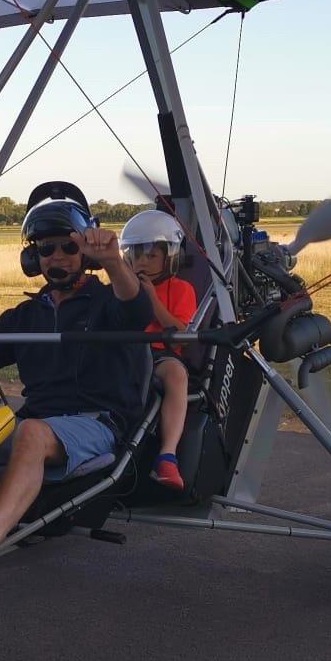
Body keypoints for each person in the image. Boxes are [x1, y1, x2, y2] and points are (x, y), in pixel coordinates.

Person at [0, 183, 152, 588]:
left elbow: (137, 310)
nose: (56, 256)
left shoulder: (106, 303)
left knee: (30, 432)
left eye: (68, 246)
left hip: (96, 423)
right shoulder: (27, 316)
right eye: (46, 248)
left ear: (85, 255)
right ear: (33, 258)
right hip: (38, 423)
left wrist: (113, 261)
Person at [119, 210, 196, 491]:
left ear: (170, 258)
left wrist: (151, 298)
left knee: (176, 374)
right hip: (125, 351)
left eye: (151, 256)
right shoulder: (121, 288)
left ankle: (167, 455)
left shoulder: (182, 289)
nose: (143, 262)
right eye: (137, 255)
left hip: (160, 354)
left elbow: (180, 335)